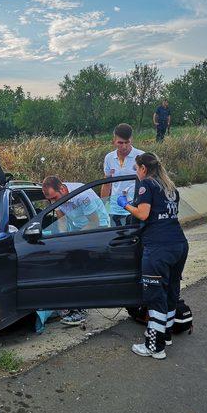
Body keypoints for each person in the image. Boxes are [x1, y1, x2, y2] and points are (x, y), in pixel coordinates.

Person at [117, 153, 188, 359]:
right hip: (179, 245)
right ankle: (164, 335)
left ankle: (154, 347)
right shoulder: (169, 187)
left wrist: (125, 204)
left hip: (158, 248)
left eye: (136, 169)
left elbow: (143, 214)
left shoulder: (146, 185)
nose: (136, 173)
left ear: (143, 169)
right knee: (170, 291)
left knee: (155, 296)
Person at [42, 176, 110, 325]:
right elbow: (62, 222)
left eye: (54, 198)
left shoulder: (82, 194)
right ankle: (73, 305)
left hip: (98, 227)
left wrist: (73, 239)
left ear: (62, 189)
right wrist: (62, 239)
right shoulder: (57, 198)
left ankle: (80, 311)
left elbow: (94, 222)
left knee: (80, 269)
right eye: (50, 200)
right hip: (78, 228)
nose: (53, 202)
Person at [100, 123, 144, 226]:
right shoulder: (109, 158)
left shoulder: (141, 156)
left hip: (135, 207)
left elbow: (149, 183)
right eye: (120, 143)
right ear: (114, 140)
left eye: (127, 142)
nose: (124, 146)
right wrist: (103, 206)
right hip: (115, 208)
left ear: (131, 139)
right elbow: (107, 183)